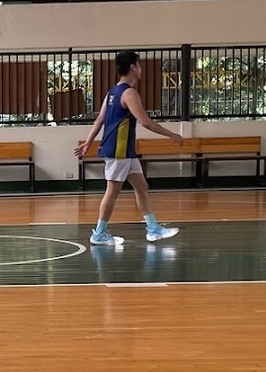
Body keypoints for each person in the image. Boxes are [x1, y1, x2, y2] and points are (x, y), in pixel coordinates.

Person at [74, 50, 184, 245]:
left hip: (125, 151)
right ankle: (99, 233)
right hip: (119, 149)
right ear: (132, 67)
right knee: (112, 191)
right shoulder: (128, 92)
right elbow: (145, 121)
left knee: (142, 186)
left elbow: (100, 119)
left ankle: (153, 229)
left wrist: (89, 142)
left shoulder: (112, 92)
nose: (141, 68)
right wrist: (172, 135)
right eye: (139, 64)